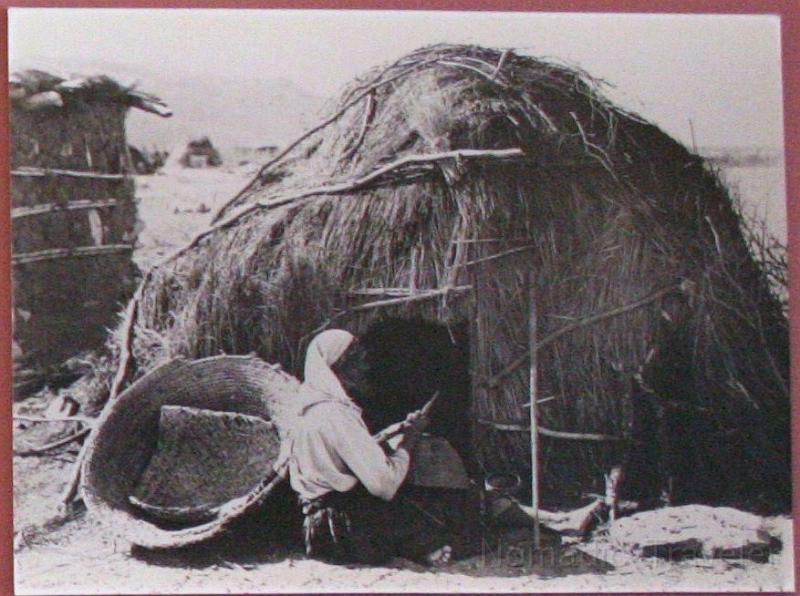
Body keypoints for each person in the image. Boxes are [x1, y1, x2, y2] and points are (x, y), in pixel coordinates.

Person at [285, 328, 454, 566]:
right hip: (345, 527)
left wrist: (392, 434)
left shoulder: (306, 409)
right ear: (335, 368)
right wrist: (410, 440)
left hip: (317, 531)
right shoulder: (336, 414)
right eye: (356, 362)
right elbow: (384, 485)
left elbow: (340, 457)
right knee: (433, 514)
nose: (364, 369)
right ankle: (424, 547)